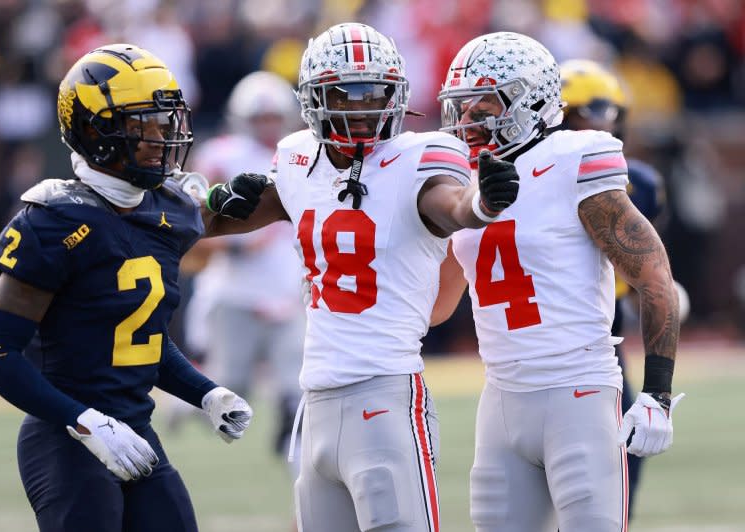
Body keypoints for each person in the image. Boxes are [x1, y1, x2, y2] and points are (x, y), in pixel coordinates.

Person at [202, 22, 521, 532]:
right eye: (344, 95)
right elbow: (208, 220)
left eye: (374, 94)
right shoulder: (295, 160)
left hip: (385, 397)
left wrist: (481, 204)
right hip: (316, 403)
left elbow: (452, 205)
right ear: (313, 98)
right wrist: (201, 199)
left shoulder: (419, 158)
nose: (361, 108)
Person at [0, 44, 252, 532]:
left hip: (134, 429)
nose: (164, 137)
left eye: (167, 123)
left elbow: (131, 337)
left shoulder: (167, 211)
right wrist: (84, 420)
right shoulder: (53, 222)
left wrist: (205, 393)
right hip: (65, 438)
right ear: (96, 132)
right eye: (146, 125)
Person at [431, 32, 684, 531]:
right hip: (500, 398)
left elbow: (653, 277)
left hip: (579, 393)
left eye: (481, 107)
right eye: (460, 108)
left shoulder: (574, 159)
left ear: (529, 103)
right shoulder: (462, 181)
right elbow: (436, 306)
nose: (467, 122)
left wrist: (656, 392)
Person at [559, 58, 682, 519]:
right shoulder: (535, 180)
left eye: (607, 115)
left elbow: (638, 268)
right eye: (582, 114)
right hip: (542, 339)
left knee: (622, 463)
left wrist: (651, 291)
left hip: (602, 341)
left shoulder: (642, 183)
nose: (597, 127)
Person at [178, 71, 307, 470]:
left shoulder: (298, 153)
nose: (268, 125)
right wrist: (239, 242)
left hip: (285, 292)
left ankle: (293, 439)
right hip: (235, 295)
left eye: (274, 117)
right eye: (260, 118)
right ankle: (181, 405)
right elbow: (193, 224)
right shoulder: (223, 156)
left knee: (297, 383)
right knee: (232, 389)